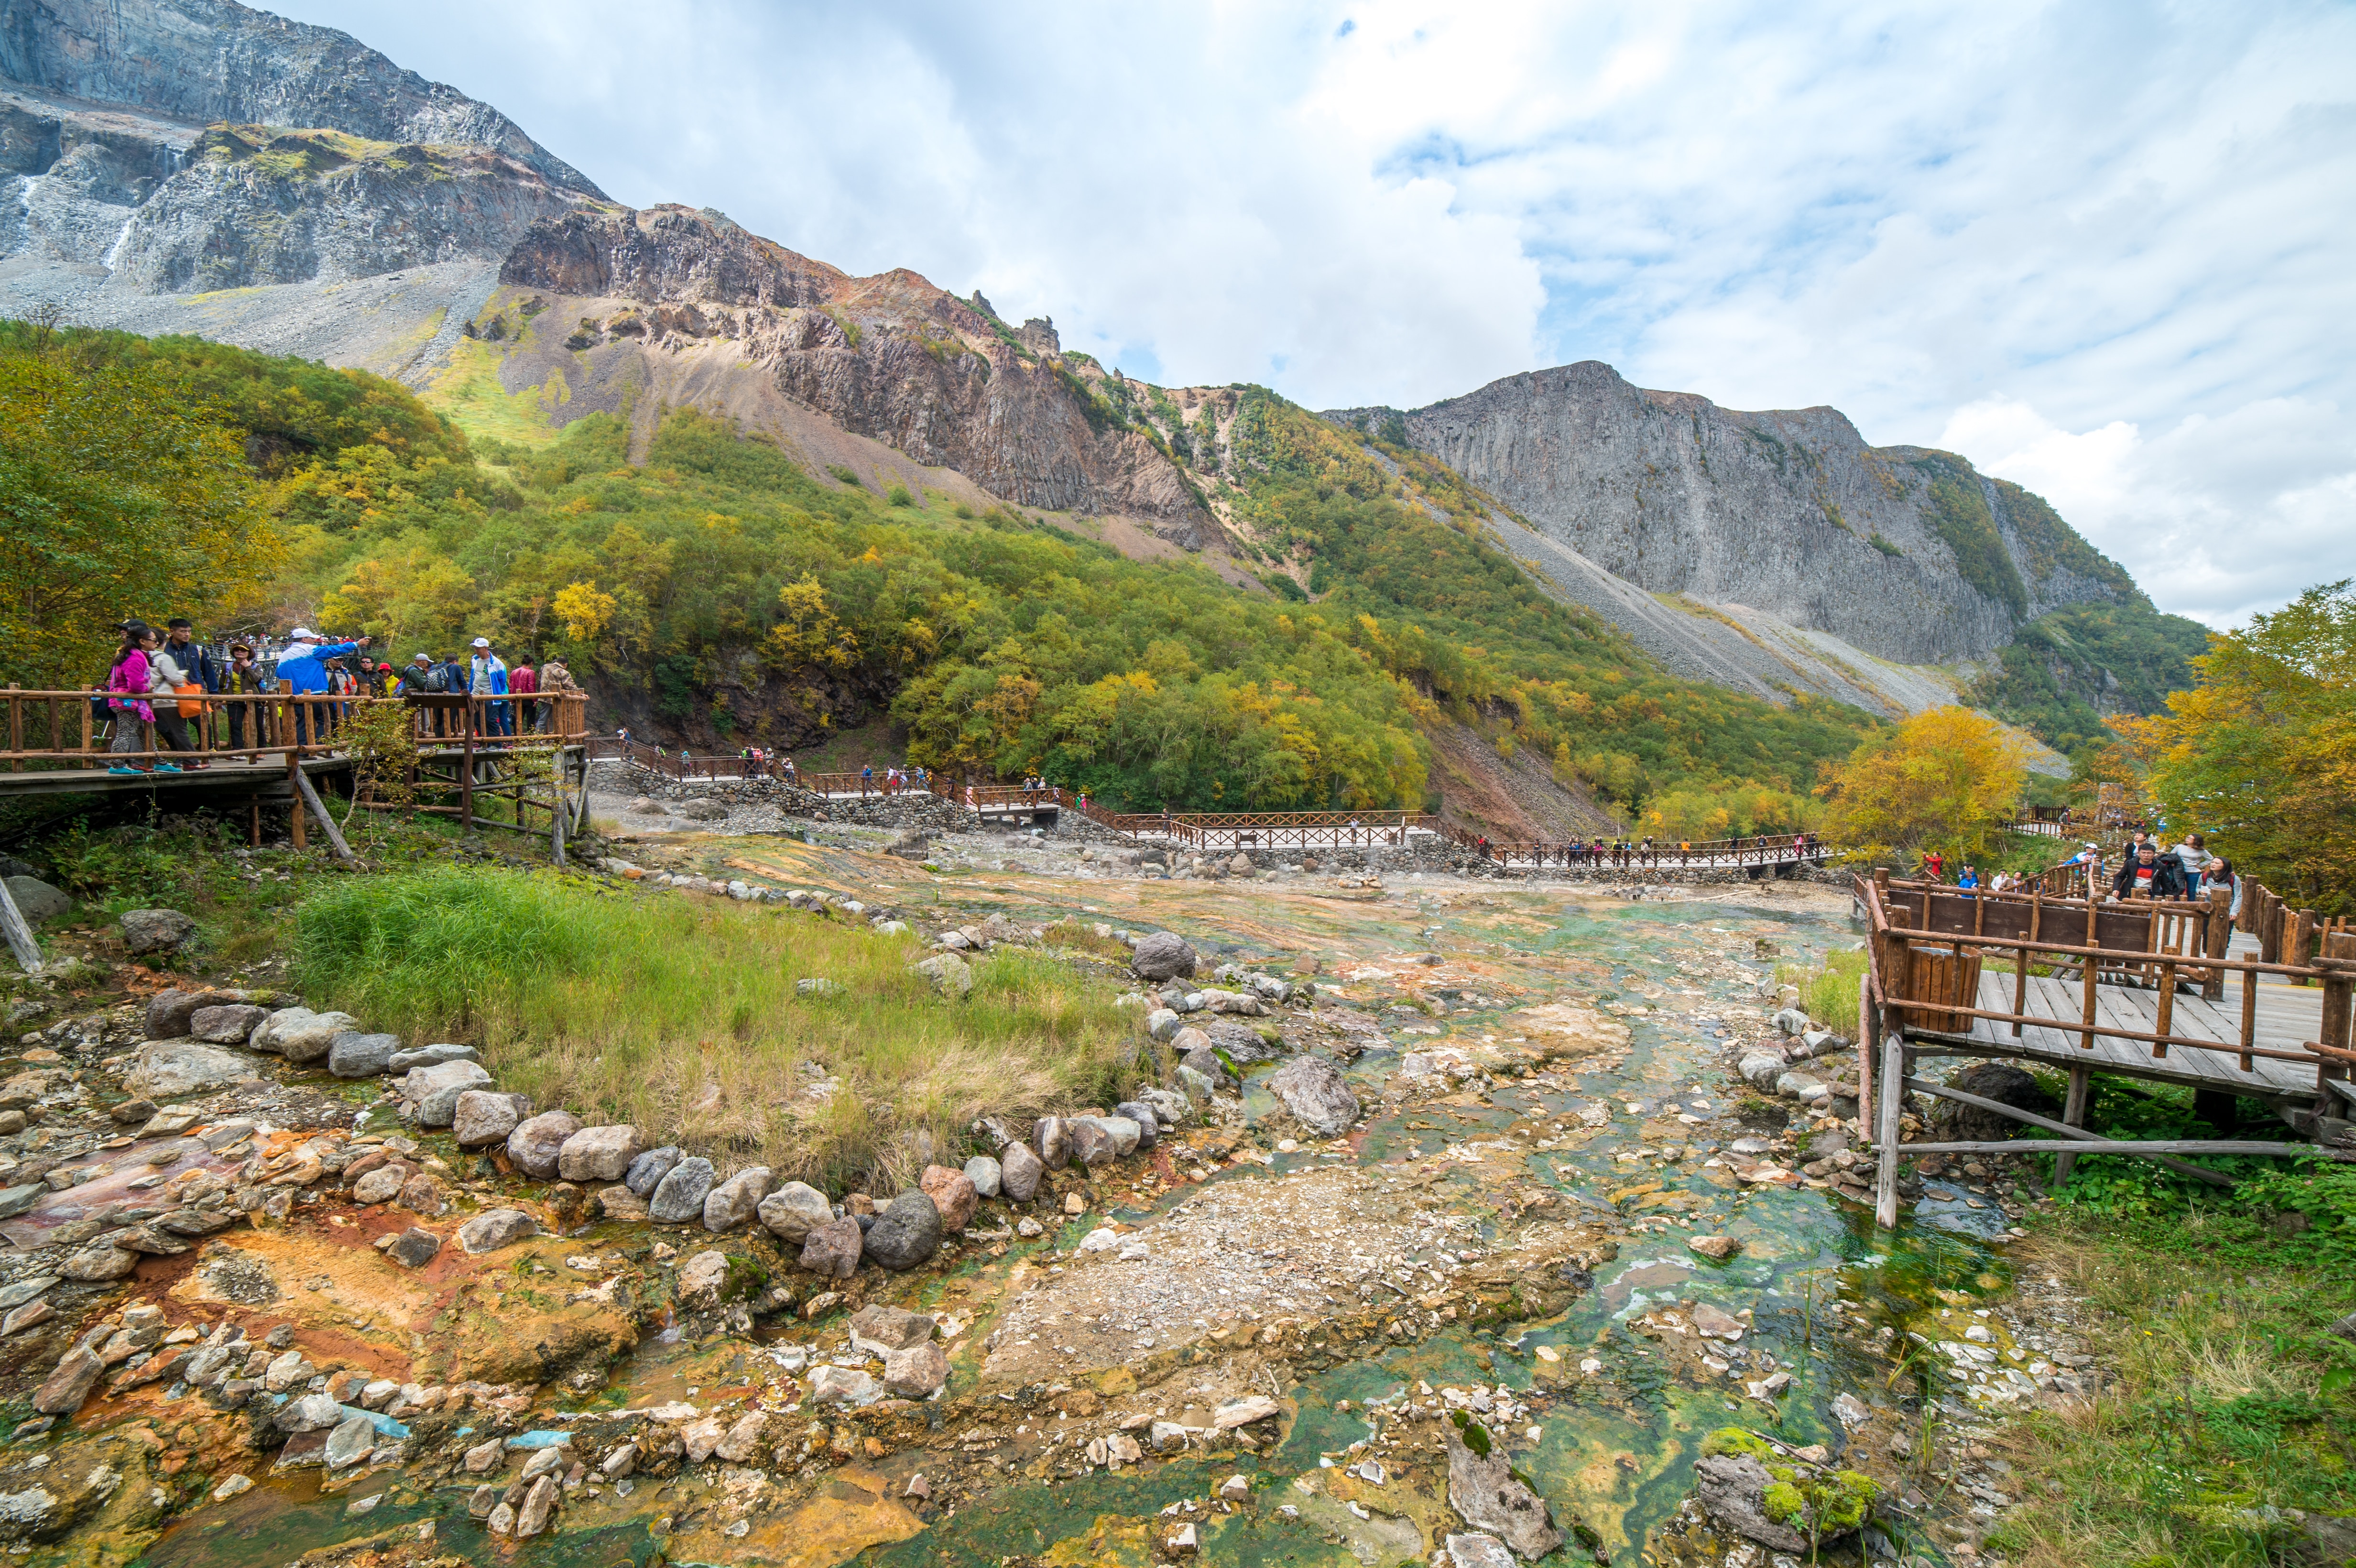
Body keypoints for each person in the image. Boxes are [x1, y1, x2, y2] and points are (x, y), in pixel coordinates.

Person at [275, 627, 371, 748]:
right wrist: (356, 644)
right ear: (304, 639)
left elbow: (279, 674)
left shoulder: (284, 655)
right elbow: (333, 650)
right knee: (325, 719)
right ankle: (319, 746)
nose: (314, 641)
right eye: (312, 639)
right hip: (315, 692)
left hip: (295, 694)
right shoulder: (310, 650)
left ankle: (303, 750)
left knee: (302, 721)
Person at [104, 622, 162, 774]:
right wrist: (147, 689)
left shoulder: (132, 654)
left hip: (129, 700)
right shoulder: (135, 658)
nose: (156, 643)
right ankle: (117, 765)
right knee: (125, 733)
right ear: (143, 641)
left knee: (145, 731)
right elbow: (135, 685)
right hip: (126, 700)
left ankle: (158, 761)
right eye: (154, 640)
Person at [147, 623, 207, 766]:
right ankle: (191, 761)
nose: (187, 634)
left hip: (148, 700)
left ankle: (146, 761)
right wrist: (181, 678)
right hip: (167, 699)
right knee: (180, 731)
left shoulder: (140, 656)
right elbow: (174, 678)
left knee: (155, 730)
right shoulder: (162, 657)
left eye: (189, 632)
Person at [223, 641, 269, 757]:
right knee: (235, 725)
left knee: (258, 725)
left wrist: (248, 668)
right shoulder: (228, 667)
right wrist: (220, 699)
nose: (239, 652)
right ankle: (238, 751)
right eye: (237, 649)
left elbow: (257, 680)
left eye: (243, 650)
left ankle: (261, 750)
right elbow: (222, 684)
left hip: (254, 699)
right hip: (235, 700)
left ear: (249, 653)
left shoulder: (256, 666)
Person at [2111, 843, 2186, 901]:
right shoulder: (2131, 863)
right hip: (2131, 891)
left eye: (2149, 853)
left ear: (2154, 854)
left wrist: (2169, 897)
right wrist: (2116, 889)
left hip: (2151, 893)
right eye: (2144, 853)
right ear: (2139, 853)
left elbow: (2166, 883)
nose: (2146, 855)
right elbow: (2120, 876)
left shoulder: (2160, 866)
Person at [468, 637, 511, 737]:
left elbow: (502, 680)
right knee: (477, 720)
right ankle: (484, 741)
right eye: (475, 648)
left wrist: (495, 692)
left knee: (491, 720)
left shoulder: (496, 663)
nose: (476, 650)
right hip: (475, 695)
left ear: (486, 648)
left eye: (479, 648)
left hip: (490, 696)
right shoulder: (475, 661)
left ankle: (495, 743)